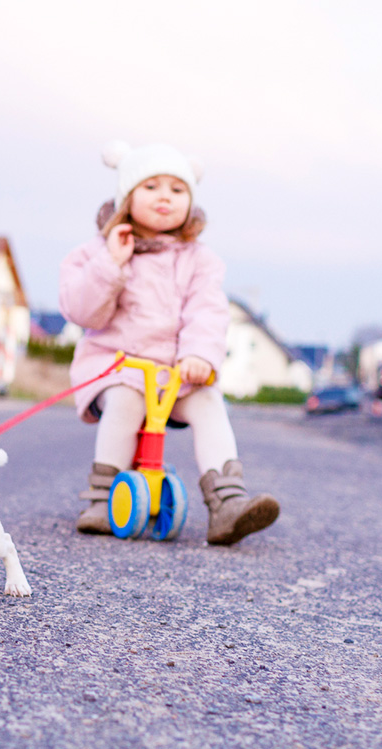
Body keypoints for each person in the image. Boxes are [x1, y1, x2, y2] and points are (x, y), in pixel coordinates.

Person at [58, 141, 280, 545]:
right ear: (127, 195)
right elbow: (82, 311)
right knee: (127, 400)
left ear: (190, 202)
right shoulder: (96, 251)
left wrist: (198, 355)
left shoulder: (199, 259)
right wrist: (111, 263)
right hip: (115, 367)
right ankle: (102, 496)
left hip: (175, 373)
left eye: (177, 190)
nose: (165, 197)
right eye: (152, 187)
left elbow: (208, 311)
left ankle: (226, 501)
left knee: (210, 401)